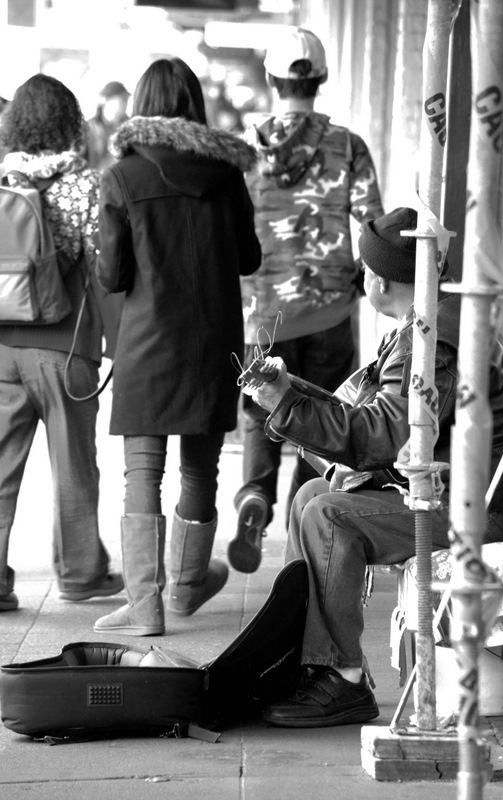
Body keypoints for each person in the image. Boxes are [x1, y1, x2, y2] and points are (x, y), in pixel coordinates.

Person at [243, 206, 503, 727]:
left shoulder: (429, 339)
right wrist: (292, 393)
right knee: (309, 498)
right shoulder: (426, 323)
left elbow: (387, 435)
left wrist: (288, 405)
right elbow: (380, 420)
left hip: (478, 509)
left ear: (376, 277)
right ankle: (317, 663)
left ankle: (342, 678)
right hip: (455, 490)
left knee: (329, 514)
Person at [93, 57, 262, 637]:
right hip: (214, 342)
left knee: (142, 471)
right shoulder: (227, 174)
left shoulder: (122, 178)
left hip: (147, 344)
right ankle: (187, 587)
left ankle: (146, 608)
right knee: (200, 469)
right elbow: (249, 258)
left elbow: (113, 276)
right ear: (195, 105)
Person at [229, 27, 385, 575]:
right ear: (319, 79)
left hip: (262, 309)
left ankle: (254, 495)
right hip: (330, 309)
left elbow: (229, 229)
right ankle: (304, 536)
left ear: (272, 79)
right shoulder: (349, 145)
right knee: (320, 417)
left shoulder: (242, 150)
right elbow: (372, 230)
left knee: (258, 413)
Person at [0, 74, 124, 612]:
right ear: (70, 122)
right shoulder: (85, 186)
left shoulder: (2, 179)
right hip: (65, 349)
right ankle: (80, 574)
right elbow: (106, 269)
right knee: (75, 466)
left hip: (2, 349)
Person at [84, 80, 130, 171]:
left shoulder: (129, 127)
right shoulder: (88, 128)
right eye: (122, 99)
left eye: (126, 99)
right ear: (105, 100)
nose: (125, 104)